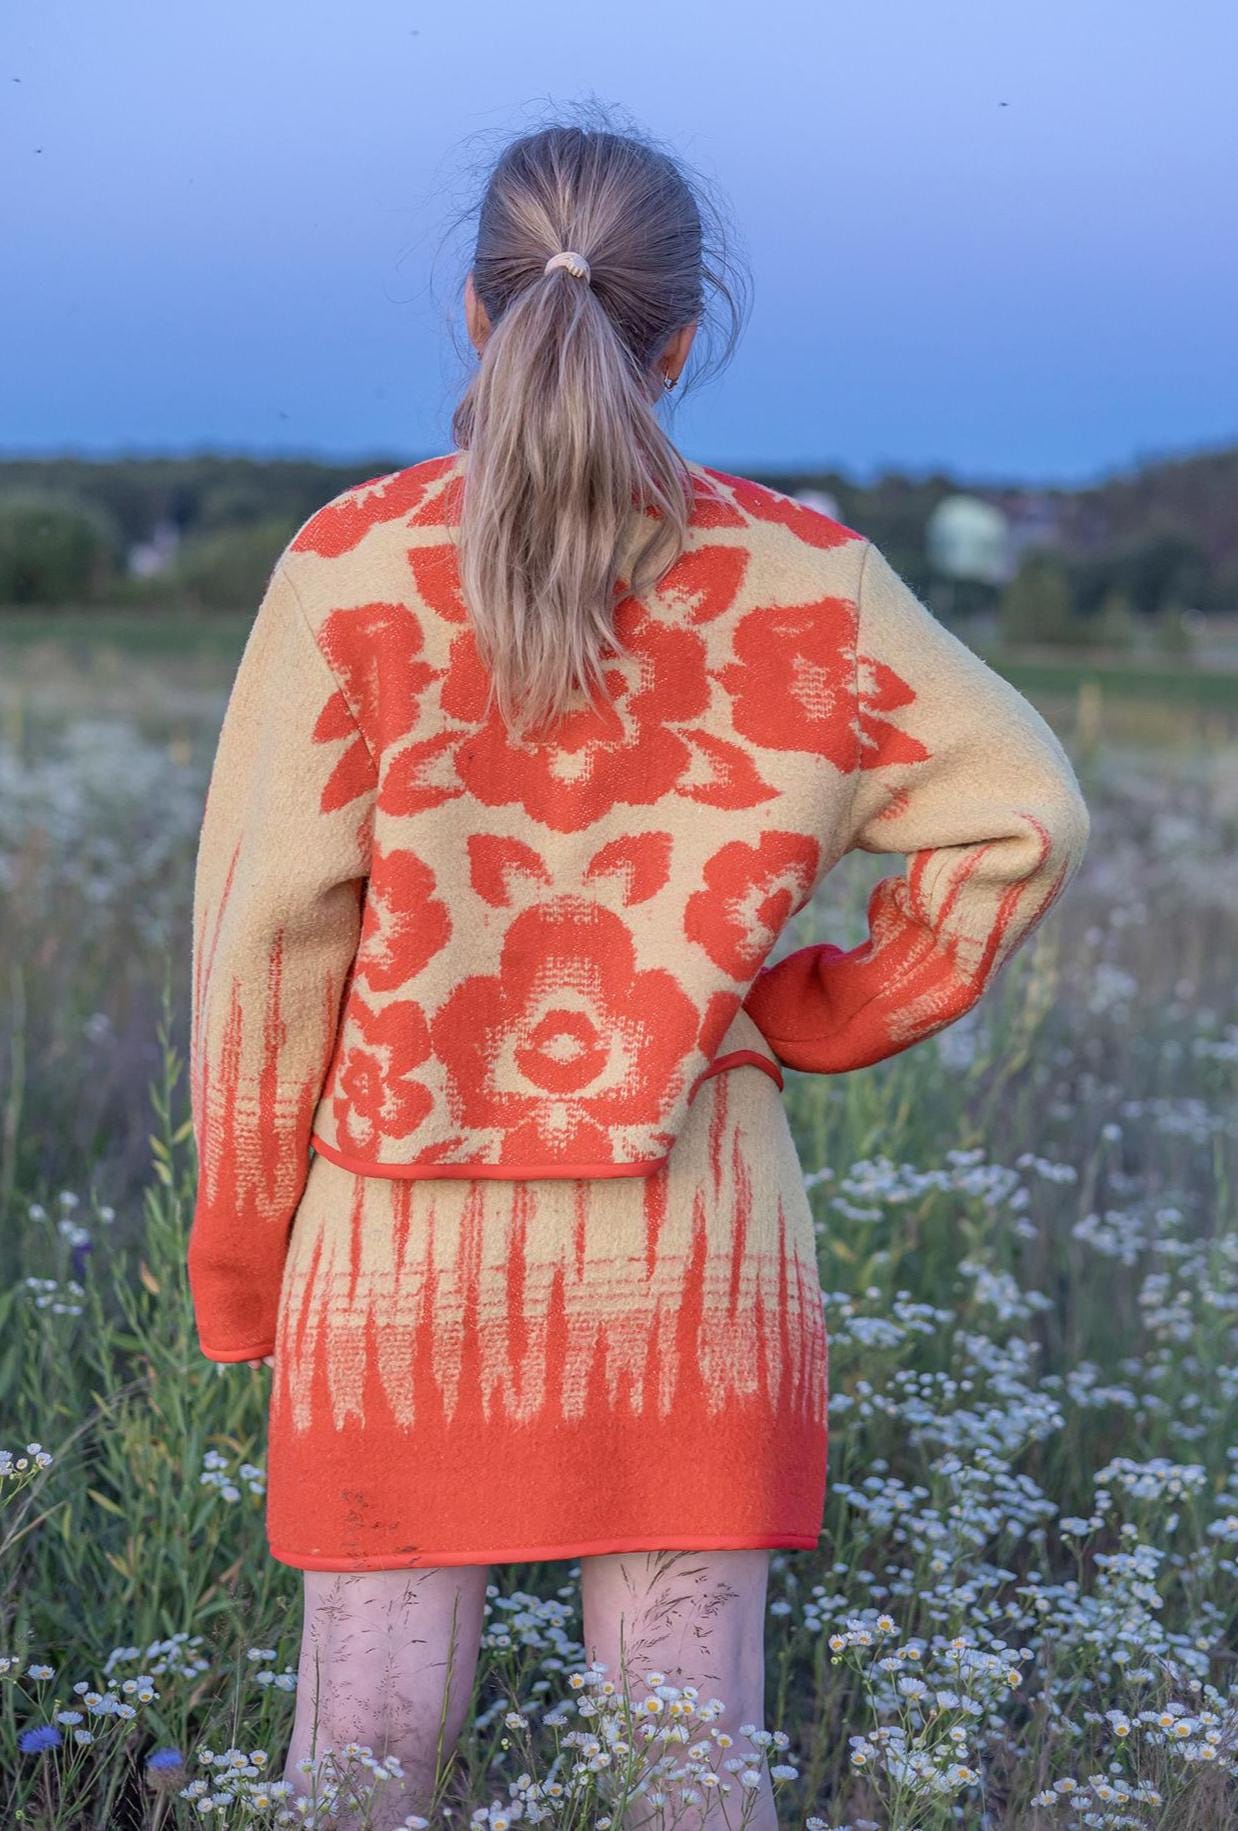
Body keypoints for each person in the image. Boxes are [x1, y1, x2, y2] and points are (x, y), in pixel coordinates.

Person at [186, 114, 1090, 1831]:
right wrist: (828, 1004)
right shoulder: (809, 580)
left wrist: (241, 1251)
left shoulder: (350, 567)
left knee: (356, 1783)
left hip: (396, 1268)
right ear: (682, 339)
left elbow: (269, 943)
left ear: (474, 314)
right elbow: (1023, 812)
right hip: (697, 1258)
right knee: (694, 1790)